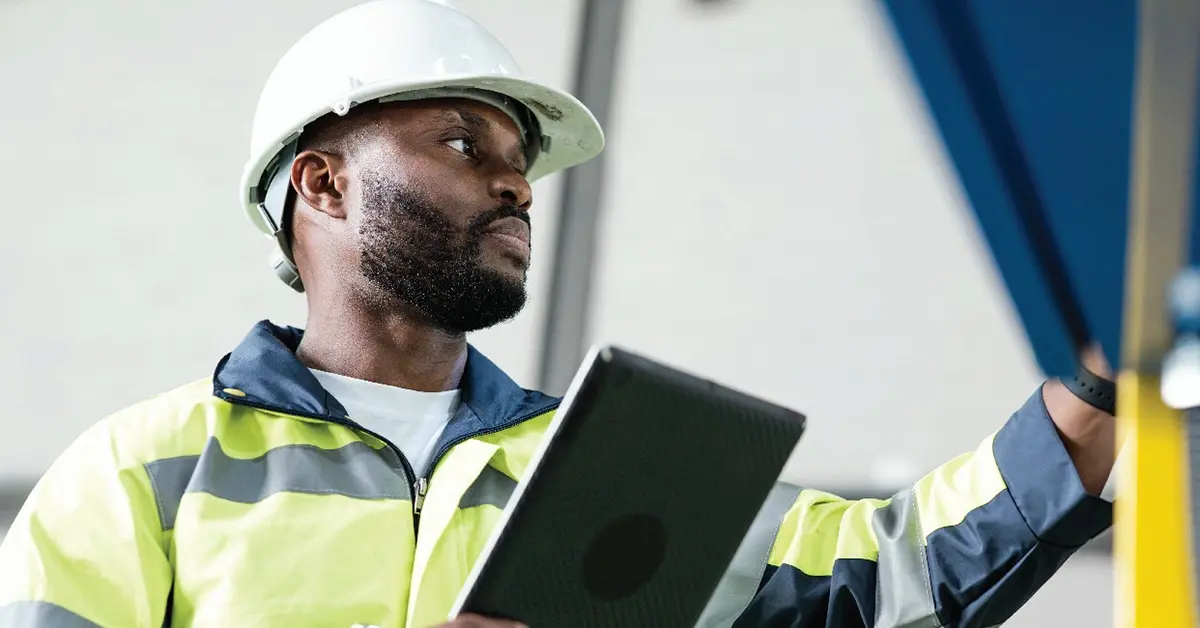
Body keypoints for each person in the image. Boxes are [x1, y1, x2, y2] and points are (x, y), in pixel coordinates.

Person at [0, 1, 1118, 626]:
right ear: (324, 184)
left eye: (521, 160)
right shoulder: (139, 474)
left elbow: (894, 572)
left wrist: (1100, 379)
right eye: (461, 142)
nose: (517, 183)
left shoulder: (607, 476)